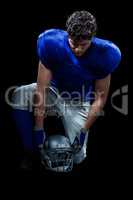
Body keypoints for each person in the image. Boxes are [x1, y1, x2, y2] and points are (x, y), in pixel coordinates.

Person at [11, 10, 121, 170]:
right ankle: (30, 151)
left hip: (79, 100)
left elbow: (100, 98)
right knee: (18, 94)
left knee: (78, 157)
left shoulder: (106, 53)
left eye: (83, 45)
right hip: (53, 92)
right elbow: (41, 89)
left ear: (92, 38)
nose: (77, 49)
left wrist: (84, 131)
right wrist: (38, 129)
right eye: (73, 43)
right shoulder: (50, 42)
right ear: (67, 35)